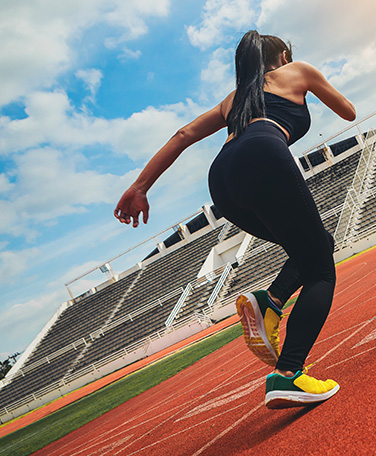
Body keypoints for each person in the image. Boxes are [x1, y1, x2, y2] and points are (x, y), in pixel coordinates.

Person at [114, 30, 356, 409]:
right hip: (264, 153)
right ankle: (289, 373)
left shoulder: (234, 99)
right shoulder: (299, 71)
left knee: (315, 246)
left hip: (223, 180)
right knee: (322, 272)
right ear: (285, 55)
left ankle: (271, 301)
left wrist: (140, 187)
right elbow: (348, 111)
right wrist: (309, 86)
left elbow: (183, 134)